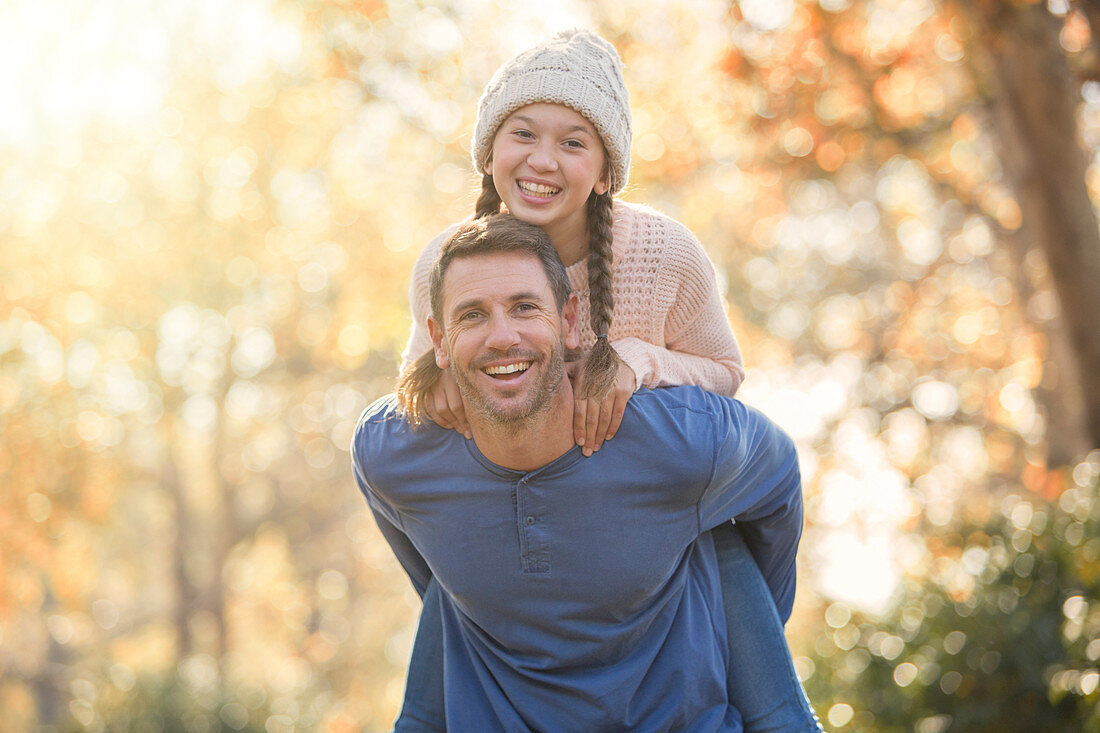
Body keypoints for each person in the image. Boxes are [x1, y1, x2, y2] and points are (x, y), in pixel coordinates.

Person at [393, 30, 820, 731]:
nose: (542, 160)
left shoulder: (663, 252)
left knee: (721, 549)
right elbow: (419, 423)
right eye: (523, 133)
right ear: (490, 150)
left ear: (603, 168)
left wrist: (635, 359)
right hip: (522, 537)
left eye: (573, 142)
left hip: (657, 531)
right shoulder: (448, 263)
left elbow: (725, 371)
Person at [353, 214, 810, 730]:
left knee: (720, 541)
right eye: (473, 315)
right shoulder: (393, 450)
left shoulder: (679, 442)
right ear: (437, 340)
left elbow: (779, 484)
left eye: (525, 308)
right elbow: (427, 560)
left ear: (570, 322)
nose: (502, 337)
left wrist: (747, 613)